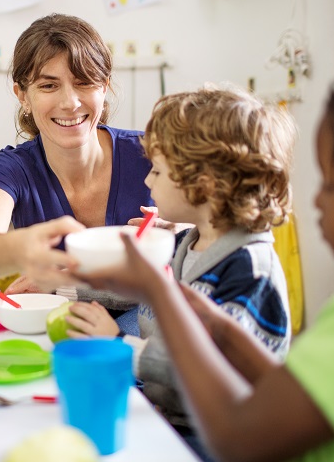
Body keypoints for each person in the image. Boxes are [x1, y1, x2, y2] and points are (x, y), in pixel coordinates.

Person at [75, 50, 334, 461]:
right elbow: (285, 383)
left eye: (333, 185)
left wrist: (152, 305)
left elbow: (240, 438)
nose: (315, 200)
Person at [64, 86, 295, 460]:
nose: (148, 181)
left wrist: (118, 345)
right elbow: (138, 288)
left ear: (203, 184)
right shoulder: (189, 241)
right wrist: (65, 288)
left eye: (157, 170)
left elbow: (208, 365)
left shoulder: (249, 271)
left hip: (216, 442)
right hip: (170, 418)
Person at [0, 13, 152, 324]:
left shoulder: (151, 154)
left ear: (105, 87)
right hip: (61, 329)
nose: (70, 102)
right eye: (49, 86)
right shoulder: (12, 170)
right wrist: (20, 248)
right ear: (23, 96)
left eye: (83, 82)